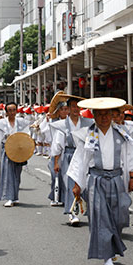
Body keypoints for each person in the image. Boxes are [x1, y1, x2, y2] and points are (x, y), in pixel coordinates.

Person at [67, 97, 133, 265]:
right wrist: (78, 183)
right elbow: (81, 160)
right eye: (99, 115)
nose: (104, 118)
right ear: (94, 116)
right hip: (96, 180)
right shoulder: (88, 135)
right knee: (101, 218)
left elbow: (131, 155)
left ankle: (112, 247)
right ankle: (107, 257)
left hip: (116, 179)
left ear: (112, 115)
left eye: (106, 114)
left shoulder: (122, 134)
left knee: (120, 216)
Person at [50, 93, 92, 225]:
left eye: (77, 107)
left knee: (85, 183)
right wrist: (56, 161)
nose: (75, 109)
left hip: (84, 155)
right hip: (69, 154)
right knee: (70, 183)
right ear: (68, 108)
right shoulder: (63, 124)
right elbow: (58, 144)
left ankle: (86, 209)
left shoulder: (88, 122)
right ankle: (72, 212)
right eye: (72, 106)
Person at [0, 102, 31, 207]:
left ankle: (15, 196)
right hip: (6, 150)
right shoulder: (0, 124)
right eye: (10, 110)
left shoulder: (22, 123)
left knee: (17, 174)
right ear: (6, 112)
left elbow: (27, 136)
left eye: (14, 110)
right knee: (7, 173)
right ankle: (8, 197)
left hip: (19, 150)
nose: (12, 112)